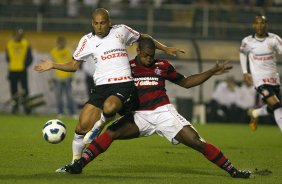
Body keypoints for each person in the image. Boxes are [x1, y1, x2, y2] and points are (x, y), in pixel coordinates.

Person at [66, 37, 251, 179]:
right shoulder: (125, 68)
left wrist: (211, 71)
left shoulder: (162, 65)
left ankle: (233, 171)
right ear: (137, 51)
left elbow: (186, 82)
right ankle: (79, 164)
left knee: (196, 142)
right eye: (145, 55)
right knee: (111, 133)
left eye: (151, 56)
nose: (149, 59)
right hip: (139, 115)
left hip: (164, 112)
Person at [33, 8, 184, 172]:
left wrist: (165, 48)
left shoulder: (121, 31)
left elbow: (144, 37)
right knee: (81, 128)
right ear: (92, 23)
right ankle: (74, 164)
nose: (99, 26)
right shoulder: (87, 40)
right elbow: (73, 66)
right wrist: (53, 65)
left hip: (123, 84)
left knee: (110, 107)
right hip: (101, 87)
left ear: (109, 22)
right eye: (96, 23)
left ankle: (100, 125)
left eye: (102, 23)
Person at [239, 14, 282, 131]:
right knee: (277, 105)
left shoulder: (274, 39)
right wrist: (245, 72)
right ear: (253, 25)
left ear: (266, 24)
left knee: (274, 106)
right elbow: (242, 53)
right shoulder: (247, 41)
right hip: (259, 80)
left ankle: (255, 113)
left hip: (274, 79)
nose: (260, 26)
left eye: (262, 23)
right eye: (257, 23)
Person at [5, 28, 33, 114]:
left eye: (21, 35)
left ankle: (27, 108)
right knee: (13, 91)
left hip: (22, 71)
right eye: (18, 35)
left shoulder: (26, 44)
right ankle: (15, 108)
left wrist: (24, 65)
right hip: (12, 70)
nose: (20, 36)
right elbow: (8, 58)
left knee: (25, 90)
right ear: (14, 35)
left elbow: (30, 58)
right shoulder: (9, 44)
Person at [50, 36, 77, 118]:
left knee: (69, 96)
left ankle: (73, 113)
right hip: (57, 78)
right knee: (58, 96)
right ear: (57, 43)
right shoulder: (53, 52)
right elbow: (50, 65)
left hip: (68, 77)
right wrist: (51, 78)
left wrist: (73, 75)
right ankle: (60, 112)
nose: (62, 44)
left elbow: (73, 63)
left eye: (63, 42)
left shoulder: (69, 51)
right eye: (60, 42)